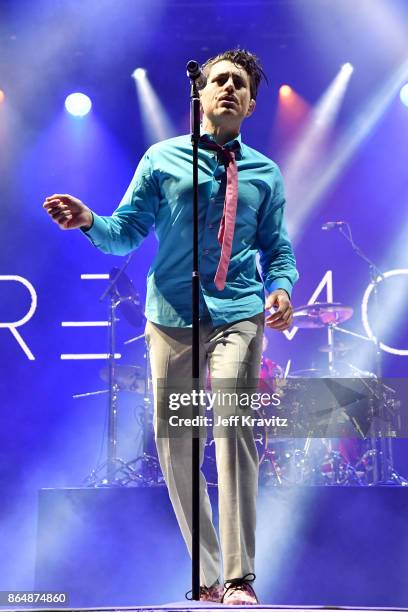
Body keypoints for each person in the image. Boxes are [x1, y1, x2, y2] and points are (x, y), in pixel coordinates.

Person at [43, 48, 298, 605]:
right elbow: (124, 232)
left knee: (232, 427)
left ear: (251, 104)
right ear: (201, 94)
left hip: (238, 312)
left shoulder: (264, 174)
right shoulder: (162, 159)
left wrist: (280, 288)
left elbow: (278, 250)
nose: (227, 87)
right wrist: (89, 220)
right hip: (173, 316)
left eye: (238, 83)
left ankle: (239, 578)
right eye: (218, 80)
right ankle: (207, 573)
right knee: (175, 439)